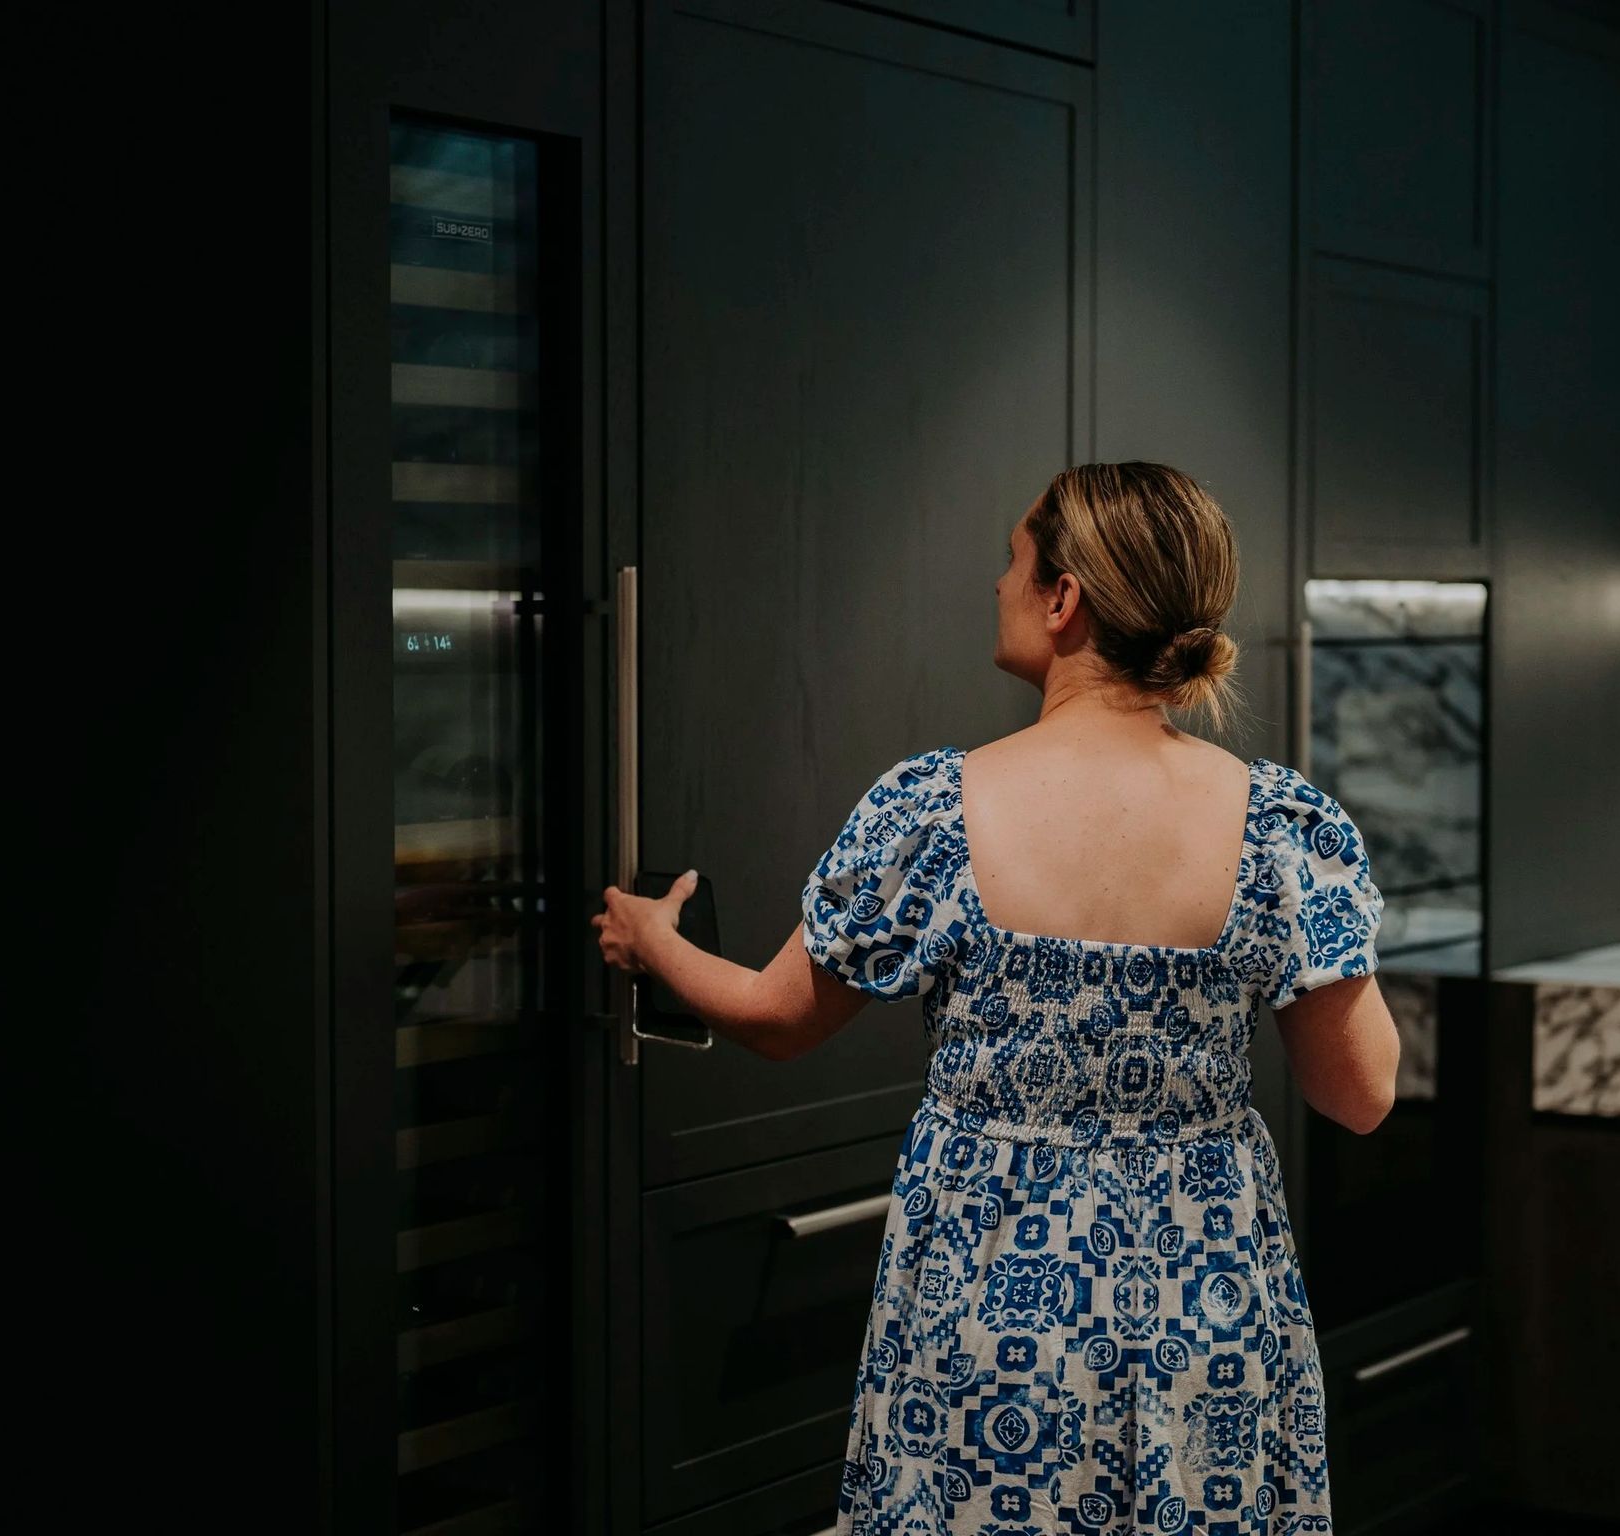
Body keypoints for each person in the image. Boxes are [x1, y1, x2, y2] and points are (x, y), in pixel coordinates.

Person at [593, 460, 1399, 1533]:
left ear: (1064, 598)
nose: (998, 582)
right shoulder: (1282, 829)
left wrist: (653, 941)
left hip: (989, 1290)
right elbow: (1360, 1094)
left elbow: (776, 1020)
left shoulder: (934, 809)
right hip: (1203, 1294)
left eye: (1014, 561)